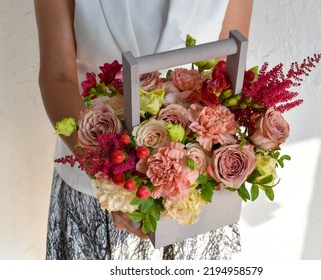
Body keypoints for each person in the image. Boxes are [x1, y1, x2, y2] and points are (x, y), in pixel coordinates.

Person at [34, 0, 253, 260]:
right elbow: (58, 76)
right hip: (95, 192)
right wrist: (108, 176)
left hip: (192, 198)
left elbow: (224, 76)